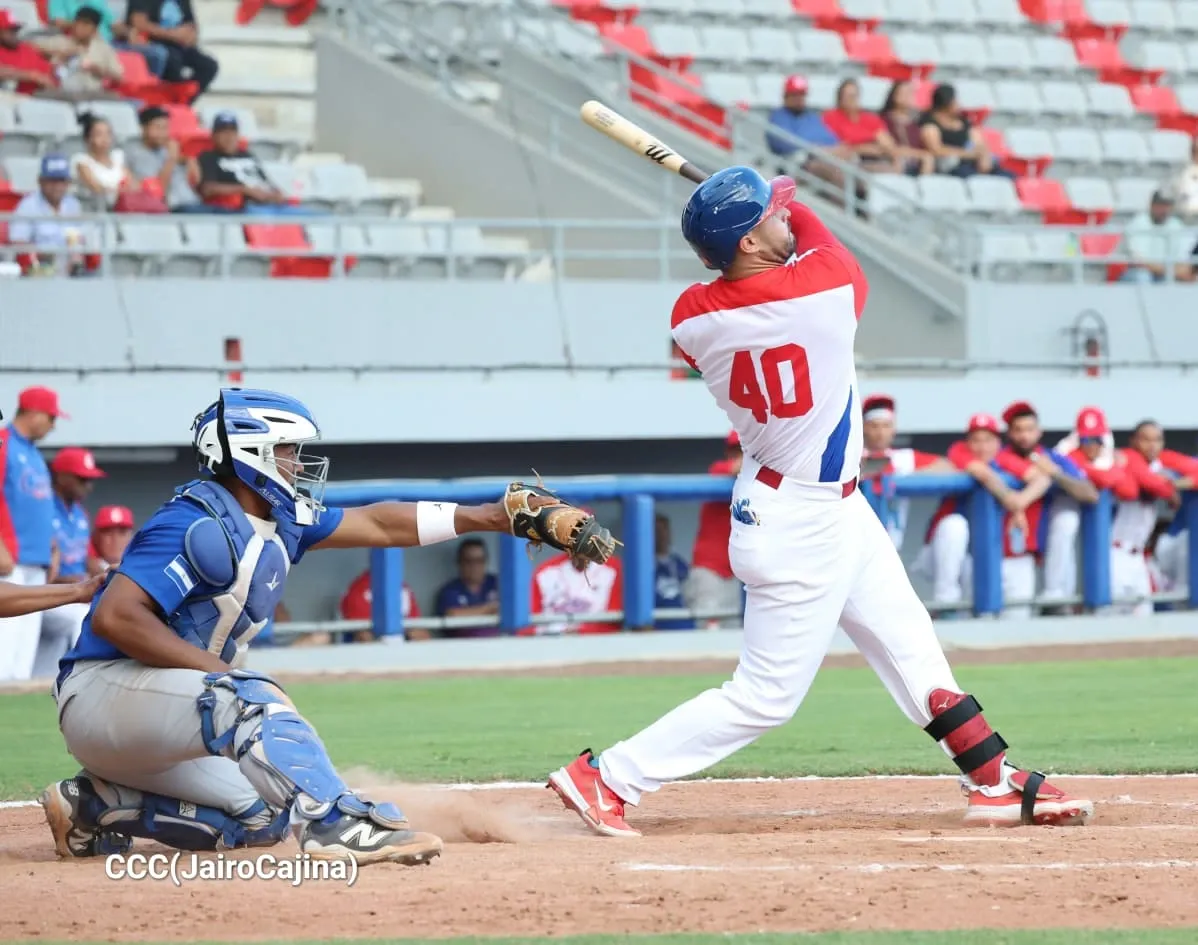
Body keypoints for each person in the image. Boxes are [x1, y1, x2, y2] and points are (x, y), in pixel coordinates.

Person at [546, 166, 1093, 836]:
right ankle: (608, 777)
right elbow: (820, 242)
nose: (785, 217)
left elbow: (756, 260)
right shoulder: (824, 288)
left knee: (911, 641)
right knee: (766, 695)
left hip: (825, 504)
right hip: (799, 518)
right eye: (770, 216)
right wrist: (778, 214)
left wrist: (747, 220)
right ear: (748, 242)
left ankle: (991, 778)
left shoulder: (692, 316)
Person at [38, 386, 614, 864]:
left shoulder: (278, 518)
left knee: (263, 812)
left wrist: (489, 517)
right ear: (250, 451)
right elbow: (115, 615)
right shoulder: (195, 520)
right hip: (103, 694)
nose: (298, 462)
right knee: (252, 697)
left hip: (162, 716)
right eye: (287, 449)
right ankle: (335, 826)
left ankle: (94, 804)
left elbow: (380, 524)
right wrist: (223, 677)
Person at [913, 412, 1048, 612]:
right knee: (954, 526)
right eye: (976, 440)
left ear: (997, 441)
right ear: (968, 441)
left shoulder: (1003, 458)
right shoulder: (959, 451)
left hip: (975, 558)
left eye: (988, 440)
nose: (982, 446)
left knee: (984, 604)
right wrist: (1009, 498)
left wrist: (1020, 502)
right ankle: (945, 603)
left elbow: (1042, 479)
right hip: (939, 554)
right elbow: (981, 472)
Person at [997, 401, 1098, 616]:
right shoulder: (999, 457)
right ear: (1010, 433)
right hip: (1000, 550)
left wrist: (1055, 473)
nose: (1024, 436)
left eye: (1029, 429)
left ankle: (1054, 594)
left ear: (1039, 431)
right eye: (1018, 430)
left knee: (1067, 517)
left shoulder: (1052, 458)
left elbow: (1090, 493)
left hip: (1031, 549)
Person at [0, 386, 66, 682]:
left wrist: (51, 548)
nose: (53, 425)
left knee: (23, 654)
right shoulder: (4, 443)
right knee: (5, 647)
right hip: (9, 559)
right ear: (34, 413)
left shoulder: (34, 455)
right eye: (51, 417)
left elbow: (38, 505)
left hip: (35, 559)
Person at [34, 447, 107, 680]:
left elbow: (88, 559)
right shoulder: (43, 509)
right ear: (62, 476)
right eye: (83, 479)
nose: (89, 486)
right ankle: (86, 680)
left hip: (73, 597)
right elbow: (36, 568)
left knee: (43, 669)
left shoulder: (80, 514)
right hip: (46, 596)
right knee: (83, 617)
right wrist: (70, 581)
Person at [857, 393, 953, 549]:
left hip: (892, 543)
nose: (881, 433)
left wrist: (907, 477)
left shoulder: (904, 458)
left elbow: (947, 466)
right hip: (856, 542)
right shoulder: (852, 455)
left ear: (893, 428)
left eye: (886, 426)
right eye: (874, 426)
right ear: (865, 427)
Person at [188, 112, 311, 216]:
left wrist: (276, 194)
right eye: (223, 132)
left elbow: (265, 181)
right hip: (244, 209)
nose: (229, 137)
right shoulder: (208, 157)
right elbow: (208, 189)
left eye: (232, 132)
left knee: (319, 217)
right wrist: (244, 190)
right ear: (214, 136)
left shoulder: (247, 155)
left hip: (271, 205)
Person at [765, 74, 858, 203]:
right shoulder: (778, 117)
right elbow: (784, 144)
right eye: (795, 94)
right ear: (786, 96)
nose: (799, 99)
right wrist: (817, 149)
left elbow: (830, 139)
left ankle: (861, 213)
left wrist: (835, 149)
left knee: (858, 169)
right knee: (837, 172)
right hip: (800, 165)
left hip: (822, 158)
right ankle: (847, 212)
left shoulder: (811, 116)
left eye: (802, 94)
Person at [684, 431, 744, 629]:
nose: (741, 453)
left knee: (732, 636)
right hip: (709, 571)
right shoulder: (720, 470)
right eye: (737, 449)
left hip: (733, 573)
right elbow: (736, 468)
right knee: (709, 636)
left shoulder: (754, 483)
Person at [9, 154, 90, 276]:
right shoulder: (27, 206)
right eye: (52, 181)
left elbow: (80, 238)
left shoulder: (73, 204)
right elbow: (19, 243)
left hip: (70, 268)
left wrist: (75, 257)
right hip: (38, 269)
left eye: (62, 181)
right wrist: (45, 254)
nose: (57, 186)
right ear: (40, 181)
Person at [125, 0, 218, 102]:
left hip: (179, 44)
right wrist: (172, 34)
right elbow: (139, 23)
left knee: (209, 66)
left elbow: (191, 25)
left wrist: (190, 36)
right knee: (173, 61)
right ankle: (171, 100)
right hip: (153, 42)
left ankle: (183, 103)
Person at [47, 0, 169, 77]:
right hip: (85, 43)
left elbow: (114, 24)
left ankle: (151, 87)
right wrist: (84, 26)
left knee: (158, 52)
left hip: (112, 42)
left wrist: (129, 33)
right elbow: (58, 22)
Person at [919, 83, 1014, 180]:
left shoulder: (963, 122)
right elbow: (936, 149)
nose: (958, 105)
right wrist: (967, 154)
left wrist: (983, 155)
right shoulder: (930, 124)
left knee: (1007, 176)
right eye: (954, 101)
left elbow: (979, 142)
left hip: (973, 162)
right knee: (971, 177)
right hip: (952, 166)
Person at [33, 6, 123, 101]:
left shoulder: (103, 48)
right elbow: (31, 47)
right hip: (62, 93)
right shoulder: (60, 42)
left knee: (117, 99)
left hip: (92, 94)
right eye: (78, 22)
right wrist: (61, 55)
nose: (80, 27)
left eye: (86, 24)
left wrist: (98, 70)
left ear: (95, 29)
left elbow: (118, 77)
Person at [125, 105, 202, 211]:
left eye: (165, 128)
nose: (162, 133)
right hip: (175, 209)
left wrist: (190, 160)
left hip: (194, 203)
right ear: (143, 128)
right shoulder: (136, 151)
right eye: (157, 127)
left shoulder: (166, 149)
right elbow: (157, 192)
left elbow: (196, 181)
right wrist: (171, 160)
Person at [822, 78, 900, 173]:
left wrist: (891, 155)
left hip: (876, 158)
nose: (853, 99)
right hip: (852, 161)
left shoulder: (870, 119)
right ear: (840, 98)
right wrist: (862, 148)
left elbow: (887, 143)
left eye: (855, 95)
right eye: (849, 96)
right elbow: (838, 147)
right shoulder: (831, 117)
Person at [1120, 190, 1195, 284]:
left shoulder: (1176, 225)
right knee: (1142, 277)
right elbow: (1140, 262)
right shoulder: (1138, 224)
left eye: (1167, 206)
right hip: (1138, 272)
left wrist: (1179, 272)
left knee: (1183, 281)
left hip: (1165, 273)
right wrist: (1170, 271)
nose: (1164, 210)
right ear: (1152, 205)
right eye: (1160, 205)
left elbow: (1182, 257)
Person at [434, 538, 500, 637]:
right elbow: (453, 615)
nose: (474, 566)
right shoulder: (450, 590)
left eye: (479, 561)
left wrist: (470, 612)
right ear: (459, 562)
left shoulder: (496, 583)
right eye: (469, 561)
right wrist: (489, 609)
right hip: (461, 647)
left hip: (499, 644)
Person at [72, 113, 133, 207]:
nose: (105, 139)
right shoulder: (81, 161)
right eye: (99, 134)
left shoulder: (118, 157)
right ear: (88, 138)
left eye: (108, 134)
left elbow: (133, 186)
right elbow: (98, 190)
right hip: (94, 210)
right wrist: (121, 191)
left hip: (123, 210)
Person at [880, 80, 934, 176]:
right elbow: (890, 147)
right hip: (895, 161)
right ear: (894, 96)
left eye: (910, 93)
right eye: (904, 93)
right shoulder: (884, 120)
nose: (908, 96)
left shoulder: (918, 122)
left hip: (917, 163)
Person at [0, 8, 56, 96]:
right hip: (33, 95)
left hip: (55, 83)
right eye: (10, 31)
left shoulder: (24, 46)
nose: (15, 34)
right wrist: (33, 76)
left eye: (16, 30)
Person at [652, 513, 693, 631]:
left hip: (683, 624)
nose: (661, 535)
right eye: (657, 530)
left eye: (664, 530)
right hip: (659, 625)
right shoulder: (644, 567)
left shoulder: (679, 564)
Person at [88, 504, 134, 573]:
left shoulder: (143, 566)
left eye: (122, 532)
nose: (115, 539)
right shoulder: (79, 566)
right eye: (107, 532)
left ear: (131, 536)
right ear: (95, 537)